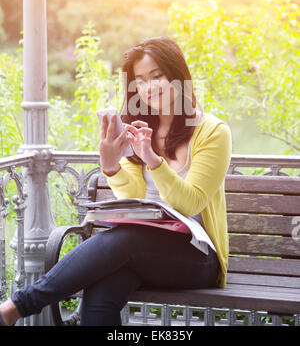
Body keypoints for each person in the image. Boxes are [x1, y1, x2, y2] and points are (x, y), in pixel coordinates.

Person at [0, 36, 232, 326]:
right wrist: (110, 165)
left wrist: (152, 159)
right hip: (138, 250)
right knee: (102, 292)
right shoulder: (138, 127)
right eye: (141, 81)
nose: (149, 87)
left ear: (177, 76)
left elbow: (191, 201)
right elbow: (133, 193)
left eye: (157, 76)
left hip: (197, 257)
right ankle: (14, 309)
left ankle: (16, 307)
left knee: (125, 242)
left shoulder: (213, 132)